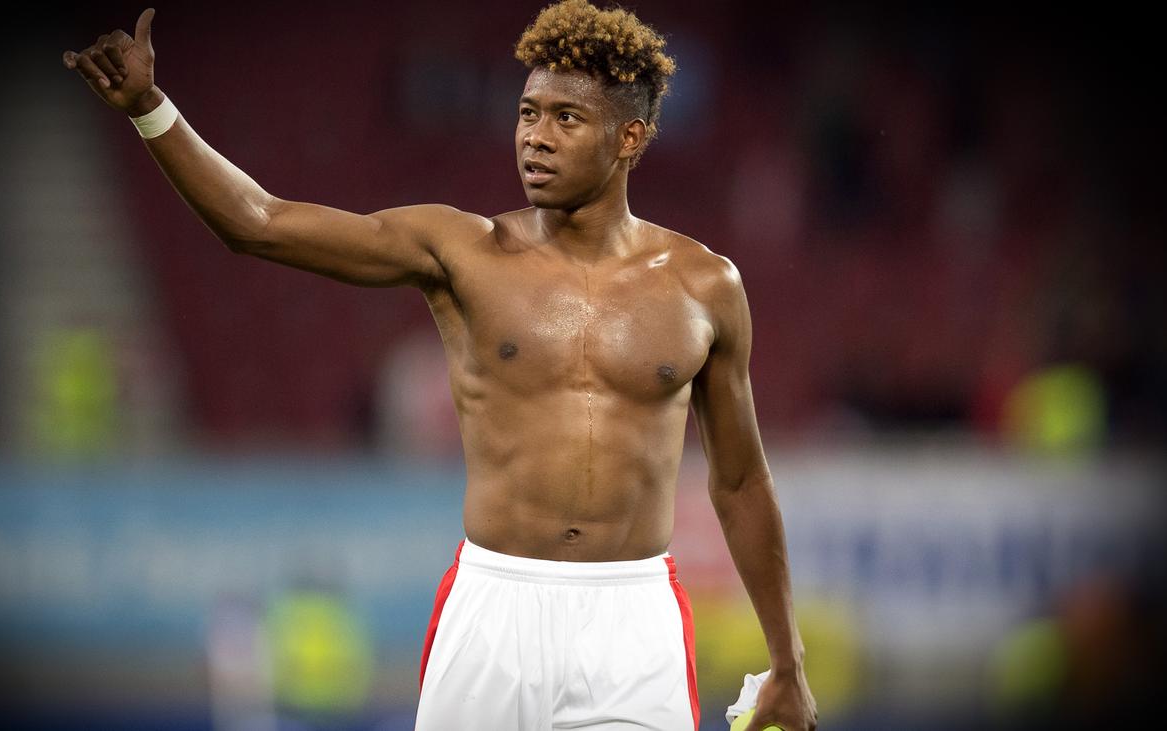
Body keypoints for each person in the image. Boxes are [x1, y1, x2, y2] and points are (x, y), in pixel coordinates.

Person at [63, 2, 818, 729]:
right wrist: (150, 109)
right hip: (494, 608)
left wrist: (787, 662)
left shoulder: (704, 286)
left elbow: (740, 482)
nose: (536, 137)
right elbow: (257, 222)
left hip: (633, 619)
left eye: (566, 118)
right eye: (528, 113)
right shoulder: (461, 252)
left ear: (629, 137)